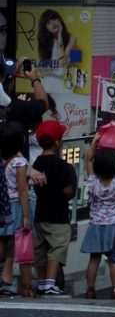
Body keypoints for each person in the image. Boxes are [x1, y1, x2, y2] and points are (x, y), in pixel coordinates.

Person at [82, 125, 115, 300]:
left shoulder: (93, 182)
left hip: (95, 225)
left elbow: (89, 160)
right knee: (113, 259)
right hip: (114, 226)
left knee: (94, 259)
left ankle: (90, 290)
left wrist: (94, 142)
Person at [32, 120, 75, 297]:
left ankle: (42, 284)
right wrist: (69, 189)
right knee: (56, 248)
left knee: (41, 250)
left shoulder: (36, 163)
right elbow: (67, 190)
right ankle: (50, 284)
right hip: (57, 215)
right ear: (57, 142)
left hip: (40, 214)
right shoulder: (62, 165)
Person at [0, 121, 34, 297]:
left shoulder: (2, 160)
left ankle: (6, 279)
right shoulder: (20, 162)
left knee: (3, 242)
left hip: (2, 206)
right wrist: (26, 216)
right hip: (15, 207)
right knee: (18, 244)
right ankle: (16, 282)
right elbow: (22, 190)